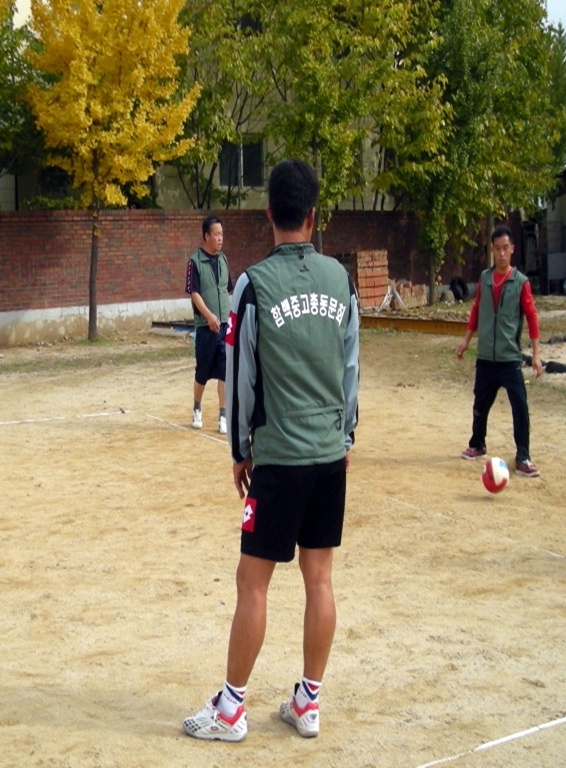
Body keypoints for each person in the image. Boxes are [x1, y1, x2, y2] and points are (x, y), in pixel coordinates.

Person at [182, 159, 360, 742]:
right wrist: (346, 436)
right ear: (314, 213)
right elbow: (351, 367)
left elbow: (241, 373)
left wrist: (239, 450)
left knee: (252, 581)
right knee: (319, 578)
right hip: (328, 455)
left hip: (279, 459)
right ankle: (308, 701)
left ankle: (231, 709)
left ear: (268, 214)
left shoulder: (253, 285)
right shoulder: (341, 281)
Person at [455, 224, 542, 477]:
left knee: (519, 405)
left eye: (505, 248)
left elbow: (532, 317)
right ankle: (477, 444)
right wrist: (466, 341)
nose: (501, 254)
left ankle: (523, 456)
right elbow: (476, 310)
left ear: (512, 249)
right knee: (480, 403)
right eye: (497, 249)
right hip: (485, 357)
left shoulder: (521, 282)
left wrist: (536, 356)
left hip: (509, 357)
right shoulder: (484, 279)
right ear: (491, 251)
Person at [185, 214, 232, 434]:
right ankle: (197, 407)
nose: (220, 238)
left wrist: (228, 317)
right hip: (206, 327)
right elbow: (194, 293)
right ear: (206, 236)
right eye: (216, 234)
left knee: (225, 371)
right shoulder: (195, 262)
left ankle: (223, 415)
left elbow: (227, 290)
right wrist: (209, 316)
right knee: (202, 372)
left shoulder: (223, 260)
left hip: (224, 326)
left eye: (222, 234)